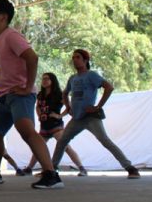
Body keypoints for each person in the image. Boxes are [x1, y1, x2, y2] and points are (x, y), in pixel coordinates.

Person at [0, 0, 63, 189]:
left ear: (4, 17)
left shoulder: (11, 36)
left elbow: (32, 57)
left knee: (26, 131)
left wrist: (26, 87)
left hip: (19, 95)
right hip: (4, 96)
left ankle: (51, 174)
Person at [51, 49, 140, 179]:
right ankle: (51, 169)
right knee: (62, 141)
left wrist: (98, 106)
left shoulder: (91, 75)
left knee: (105, 140)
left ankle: (131, 168)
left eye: (78, 57)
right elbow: (65, 93)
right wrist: (68, 107)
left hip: (90, 117)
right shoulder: (72, 78)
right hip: (76, 118)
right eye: (73, 58)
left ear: (85, 60)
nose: (74, 60)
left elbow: (109, 87)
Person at [22, 72, 87, 176]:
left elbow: (69, 107)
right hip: (44, 126)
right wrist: (39, 114)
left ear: (52, 81)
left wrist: (59, 116)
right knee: (38, 147)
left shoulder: (59, 94)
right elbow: (38, 106)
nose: (44, 81)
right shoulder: (40, 94)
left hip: (56, 126)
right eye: (43, 79)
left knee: (65, 146)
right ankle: (30, 168)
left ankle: (82, 168)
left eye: (47, 79)